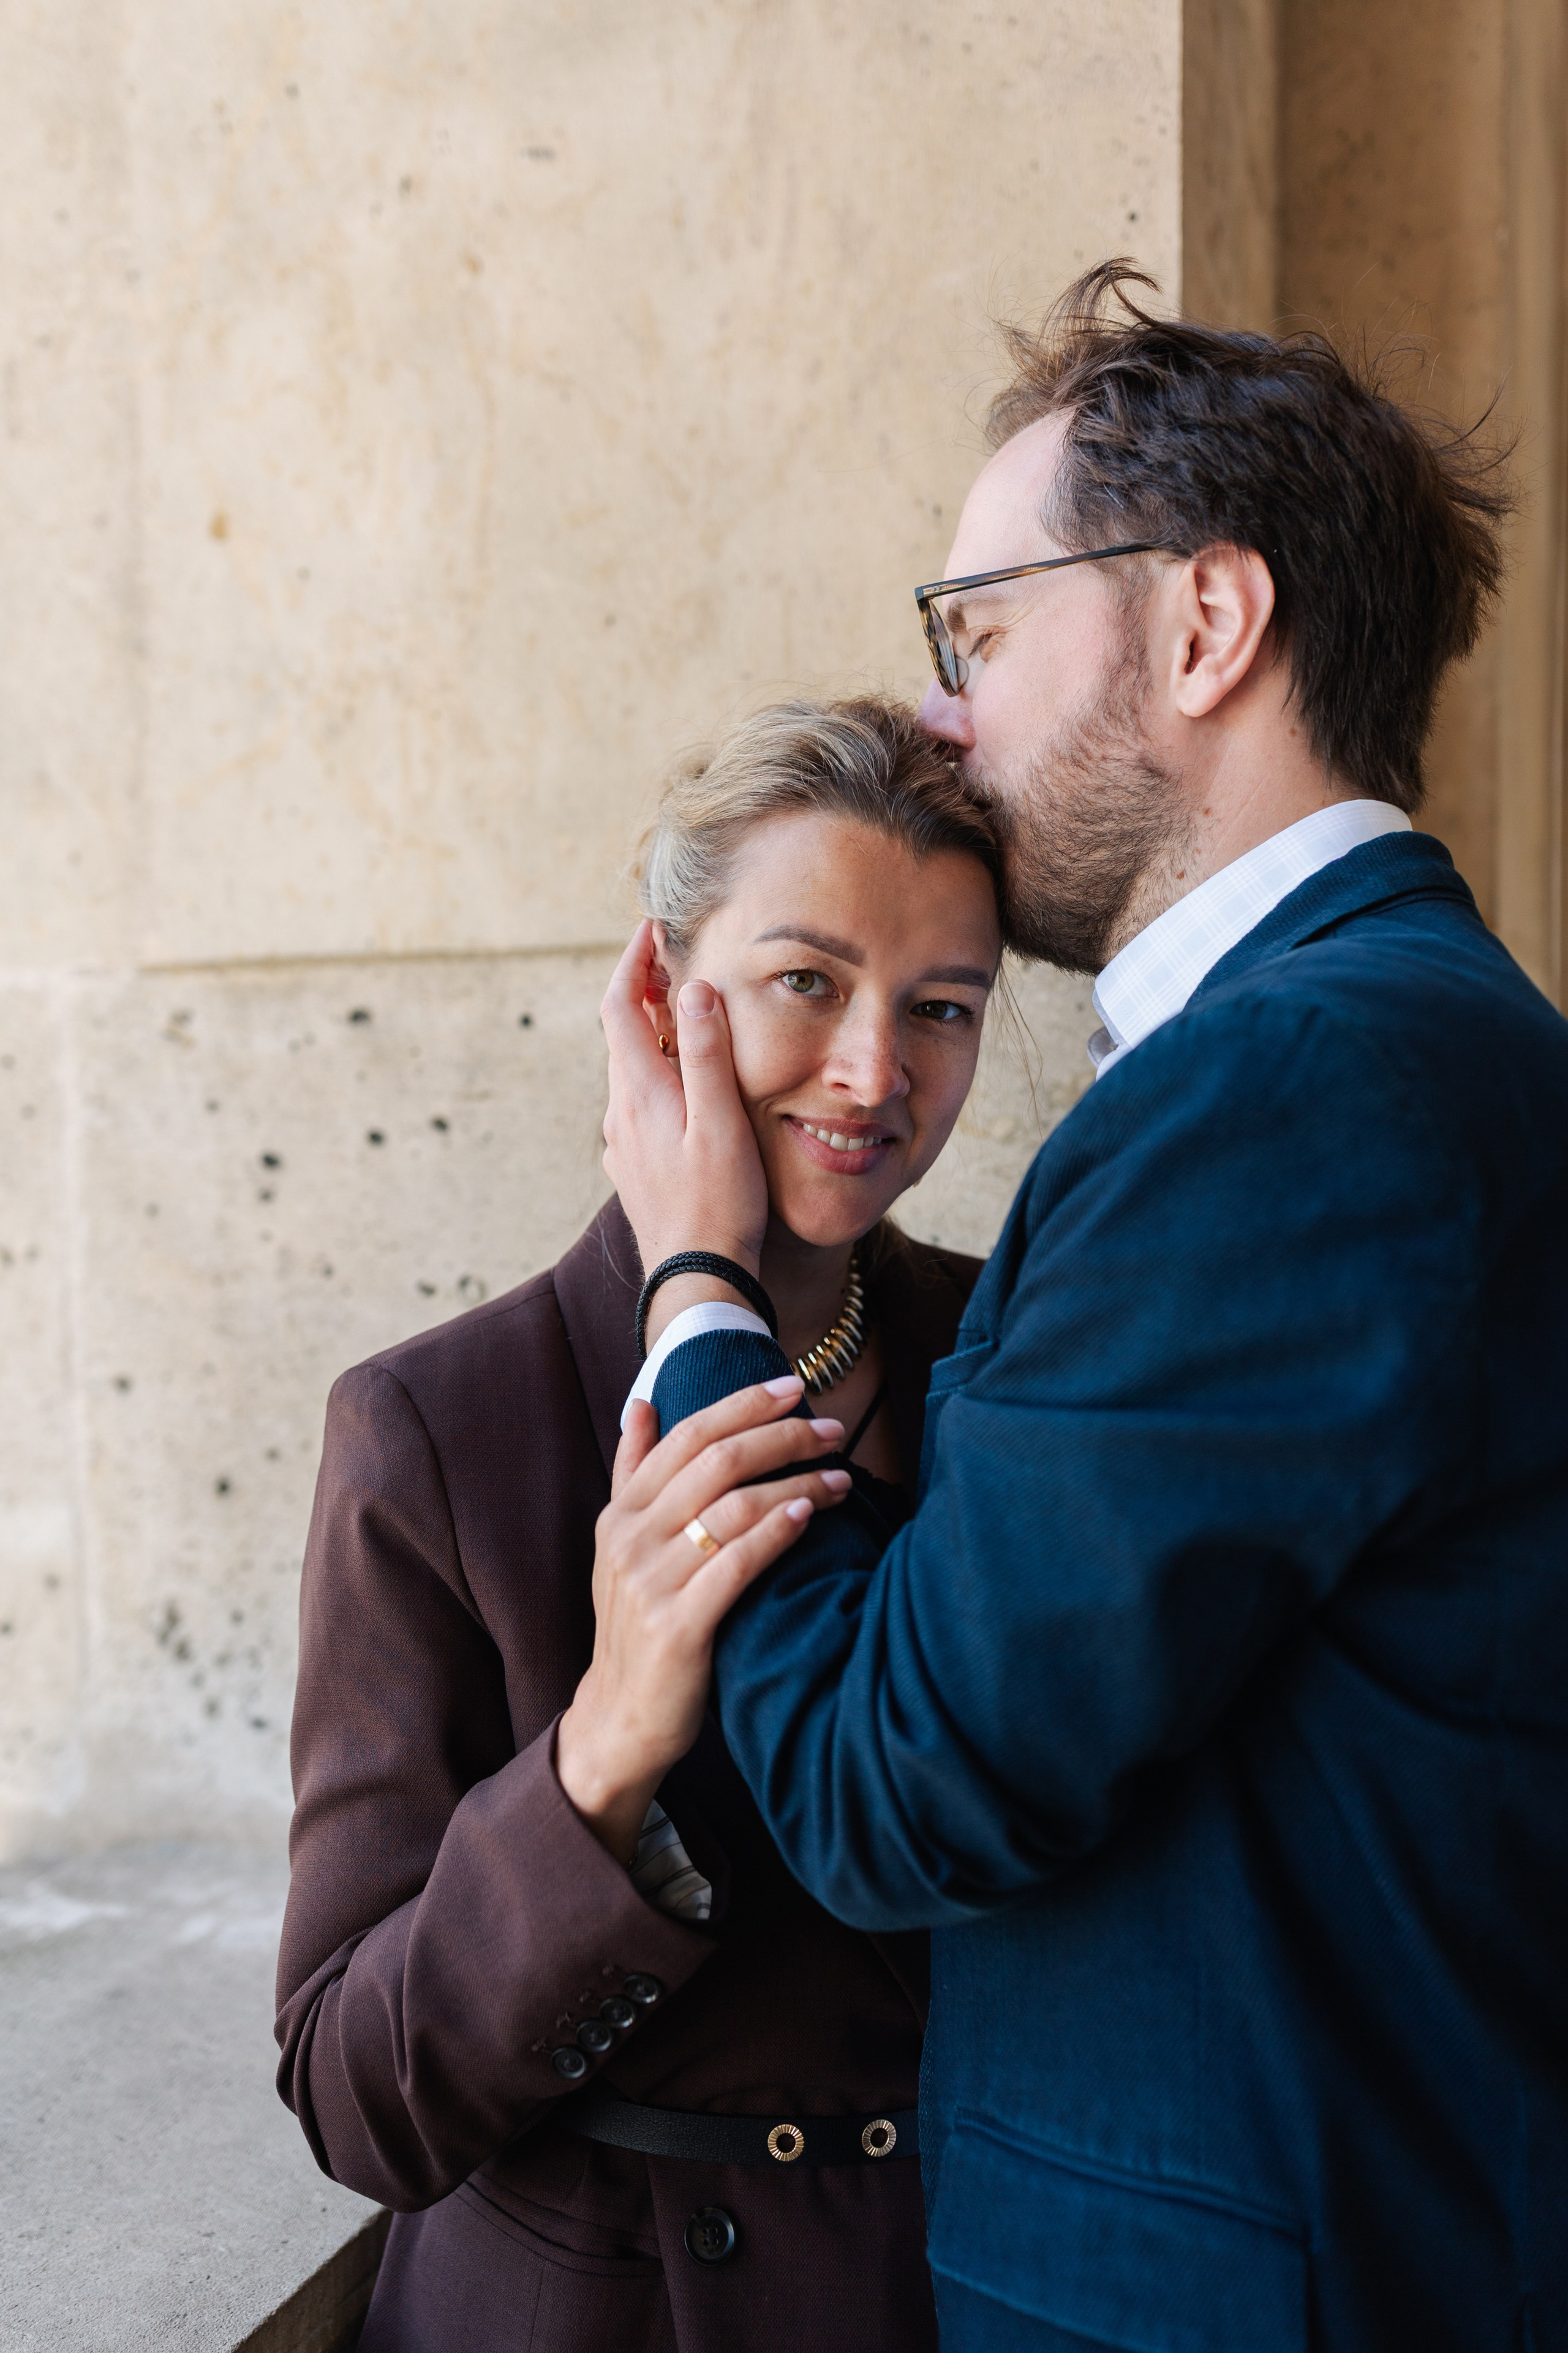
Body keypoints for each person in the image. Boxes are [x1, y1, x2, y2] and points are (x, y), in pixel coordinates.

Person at [597, 265, 1568, 2350]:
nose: (951, 709)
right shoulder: (1404, 1037)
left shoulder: (1295, 1083)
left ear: (1206, 625)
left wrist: (695, 1282)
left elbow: (892, 1782)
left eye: (984, 630)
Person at [275, 697, 1009, 2352]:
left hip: (966, 2285)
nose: (875, 1069)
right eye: (807, 980)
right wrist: (601, 1751)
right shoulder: (439, 1426)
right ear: (666, 993)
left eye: (943, 1005)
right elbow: (351, 2092)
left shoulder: (1022, 1352)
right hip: (600, 2309)